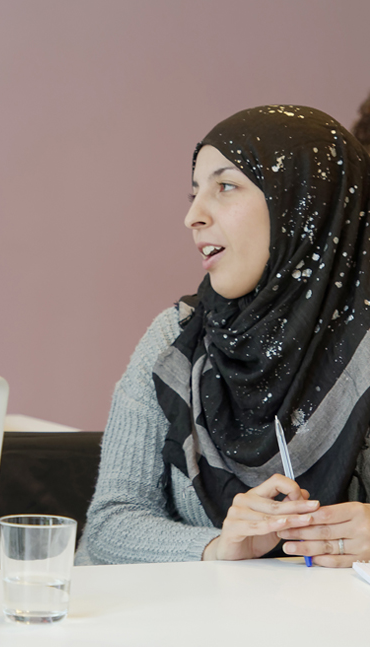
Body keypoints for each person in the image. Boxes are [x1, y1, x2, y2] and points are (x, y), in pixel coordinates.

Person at [78, 105, 370, 568]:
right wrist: (217, 547)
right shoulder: (177, 338)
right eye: (194, 193)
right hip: (196, 635)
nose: (193, 216)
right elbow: (109, 526)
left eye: (225, 186)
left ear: (302, 202)